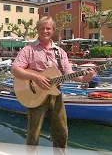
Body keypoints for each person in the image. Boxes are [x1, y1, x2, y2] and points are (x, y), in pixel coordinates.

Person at [10, 16, 96, 152]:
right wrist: (36, 77)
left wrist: (85, 78)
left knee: (61, 131)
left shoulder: (60, 52)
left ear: (54, 30)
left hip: (56, 94)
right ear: (37, 30)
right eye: (42, 28)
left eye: (48, 28)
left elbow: (68, 72)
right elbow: (15, 69)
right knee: (34, 134)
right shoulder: (28, 50)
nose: (45, 31)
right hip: (35, 95)